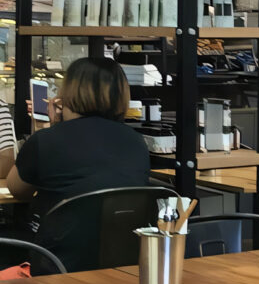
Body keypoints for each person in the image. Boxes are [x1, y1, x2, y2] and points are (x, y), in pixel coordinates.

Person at [6, 58, 151, 229]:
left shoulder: (47, 139)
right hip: (124, 252)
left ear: (68, 93)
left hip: (57, 252)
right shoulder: (137, 142)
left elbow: (17, 189)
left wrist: (48, 129)